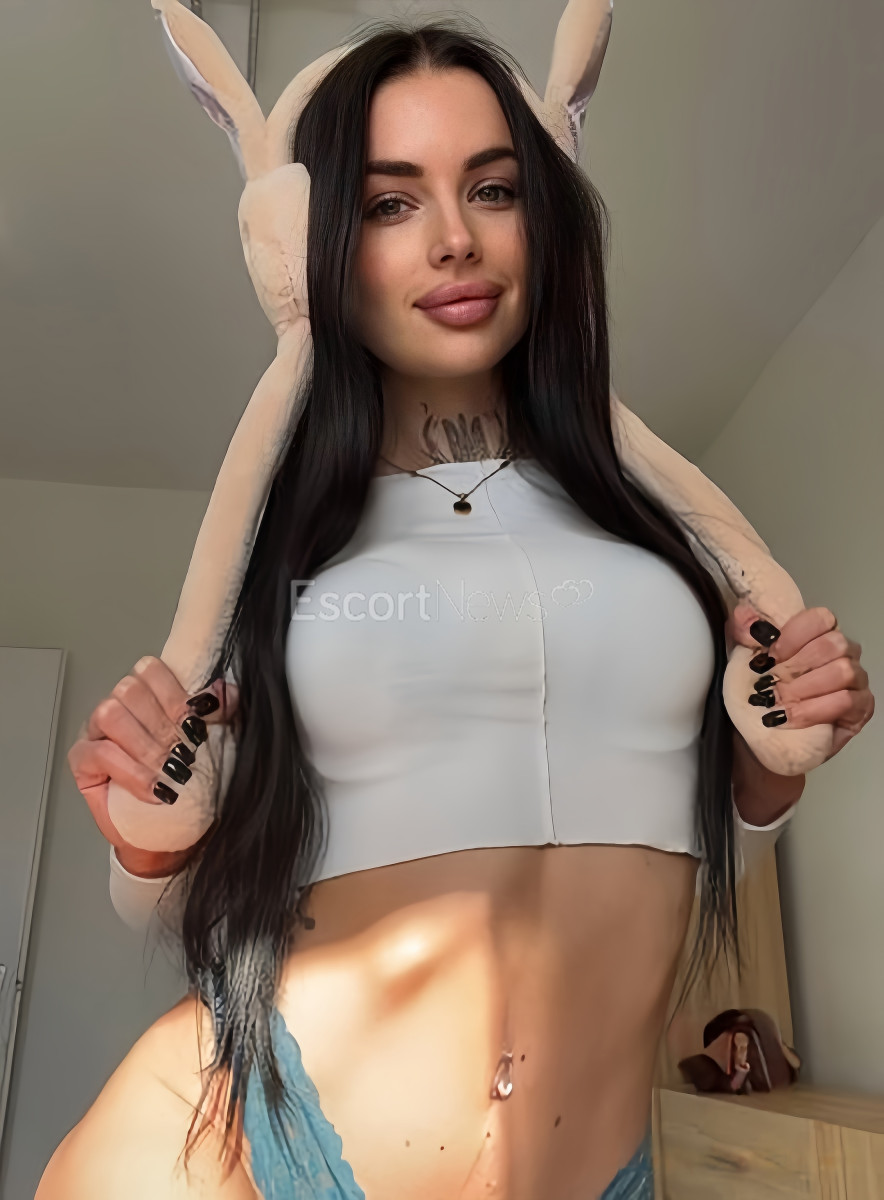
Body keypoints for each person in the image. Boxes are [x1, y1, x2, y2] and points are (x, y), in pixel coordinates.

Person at [38, 15, 874, 1200]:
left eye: (491, 189)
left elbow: (690, 845)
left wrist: (774, 766)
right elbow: (169, 900)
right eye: (390, 203)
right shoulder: (283, 557)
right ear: (315, 246)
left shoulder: (652, 529)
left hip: (593, 1172)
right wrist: (145, 835)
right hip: (244, 1148)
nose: (453, 240)